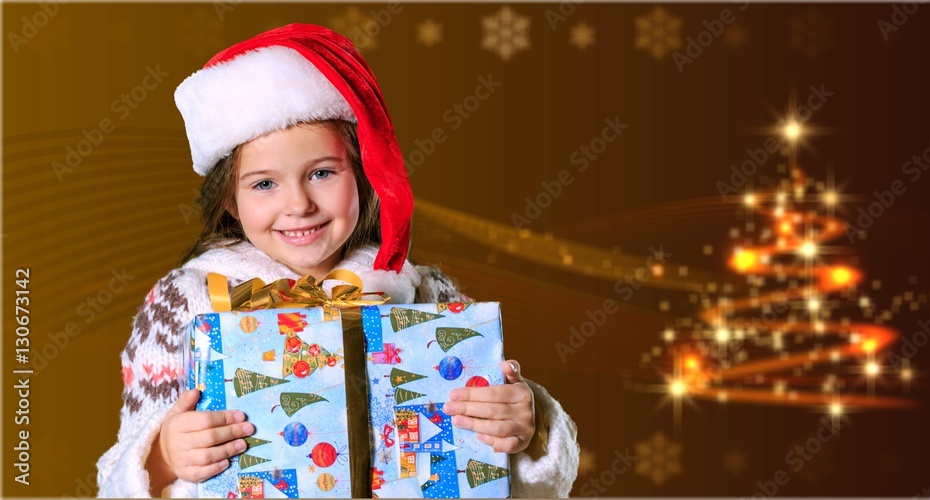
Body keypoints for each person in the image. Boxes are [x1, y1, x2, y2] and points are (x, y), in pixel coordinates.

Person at [95, 24, 579, 498]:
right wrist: (162, 456)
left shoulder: (427, 293)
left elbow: (514, 477)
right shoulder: (184, 302)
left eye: (322, 173)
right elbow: (119, 475)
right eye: (264, 183)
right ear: (228, 200)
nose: (299, 204)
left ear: (366, 173)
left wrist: (527, 424)